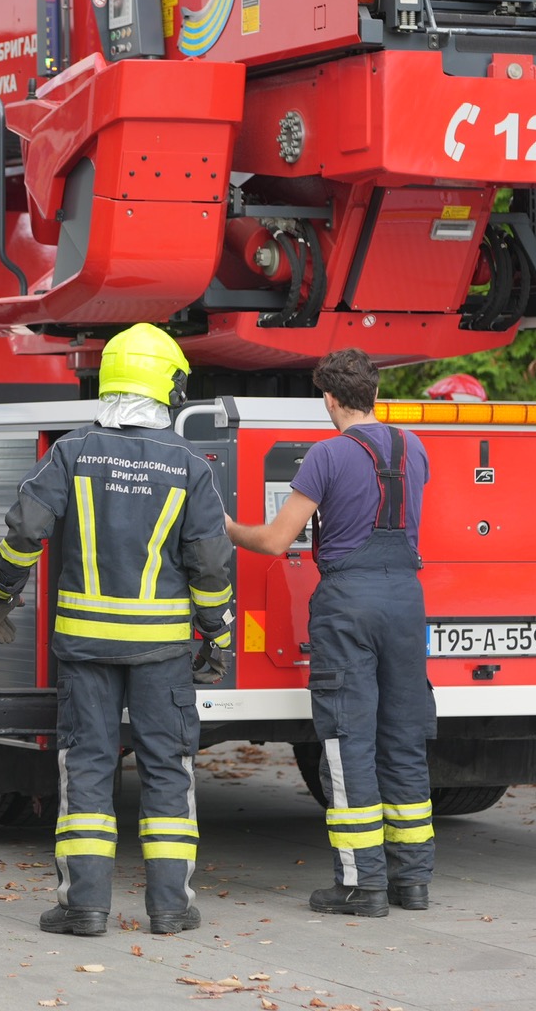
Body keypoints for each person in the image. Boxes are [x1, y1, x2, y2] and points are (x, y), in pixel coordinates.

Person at [0, 323, 235, 937]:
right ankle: (171, 908)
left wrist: (1, 596)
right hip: (161, 652)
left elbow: (24, 533)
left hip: (86, 646)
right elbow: (209, 564)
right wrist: (218, 635)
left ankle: (85, 906)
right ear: (167, 386)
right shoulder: (190, 468)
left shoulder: (72, 452)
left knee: (88, 766)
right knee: (168, 767)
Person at [225, 348, 435, 918]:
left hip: (349, 602)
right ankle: (411, 881)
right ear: (373, 393)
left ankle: (360, 884)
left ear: (330, 399)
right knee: (403, 739)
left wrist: (222, 525)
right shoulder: (411, 448)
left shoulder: (327, 454)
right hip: (406, 601)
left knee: (347, 744)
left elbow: (274, 541)